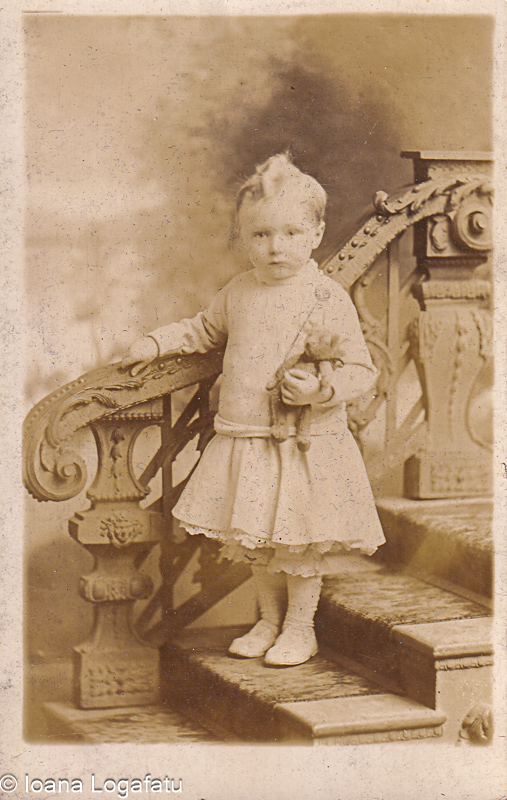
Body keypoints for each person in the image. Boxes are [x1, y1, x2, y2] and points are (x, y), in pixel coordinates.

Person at [122, 154, 385, 666]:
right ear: (242, 239)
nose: (275, 246)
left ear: (316, 234)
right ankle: (266, 620)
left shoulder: (325, 297)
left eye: (290, 232)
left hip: (304, 445)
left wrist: (320, 390)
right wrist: (155, 344)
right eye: (261, 234)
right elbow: (202, 330)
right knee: (259, 540)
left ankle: (299, 627)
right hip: (246, 437)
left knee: (299, 545)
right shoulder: (239, 292)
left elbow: (362, 371)